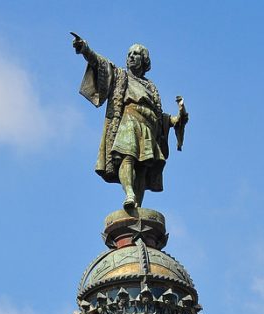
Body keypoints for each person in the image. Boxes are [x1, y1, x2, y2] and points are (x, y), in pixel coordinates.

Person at [72, 34, 188, 209]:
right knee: (128, 157)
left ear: (144, 60)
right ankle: (129, 193)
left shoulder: (151, 87)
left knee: (142, 168)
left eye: (136, 54)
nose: (131, 56)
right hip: (129, 120)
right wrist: (85, 49)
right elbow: (101, 63)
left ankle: (136, 205)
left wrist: (179, 117)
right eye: (129, 54)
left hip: (148, 127)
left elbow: (161, 117)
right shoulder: (121, 76)